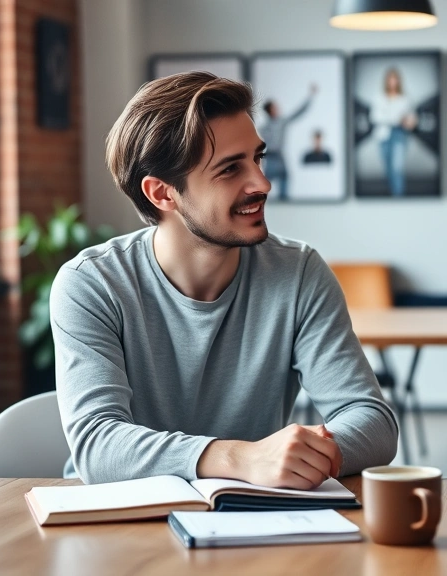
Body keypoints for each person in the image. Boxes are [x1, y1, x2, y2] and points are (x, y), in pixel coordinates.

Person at [51, 71, 398, 487]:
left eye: (257, 158)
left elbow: (372, 420)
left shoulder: (298, 273)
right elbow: (98, 447)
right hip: (120, 520)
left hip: (251, 513)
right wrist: (240, 458)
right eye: (231, 169)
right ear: (162, 193)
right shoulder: (91, 285)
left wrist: (307, 455)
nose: (263, 183)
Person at [259, 84, 316, 200]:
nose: (278, 109)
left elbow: (299, 112)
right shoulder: (263, 128)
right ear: (270, 110)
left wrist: (310, 97)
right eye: (275, 107)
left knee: (284, 184)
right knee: (263, 186)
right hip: (270, 158)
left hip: (280, 157)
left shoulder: (282, 122)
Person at [371, 68, 416, 196]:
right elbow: (375, 117)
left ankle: (398, 197)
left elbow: (411, 118)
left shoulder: (405, 98)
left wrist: (407, 120)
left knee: (397, 168)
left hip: (399, 134)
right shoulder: (379, 97)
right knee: (388, 169)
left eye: (395, 79)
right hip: (383, 135)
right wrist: (397, 118)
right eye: (390, 79)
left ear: (398, 81)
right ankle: (392, 196)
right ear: (386, 81)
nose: (392, 82)